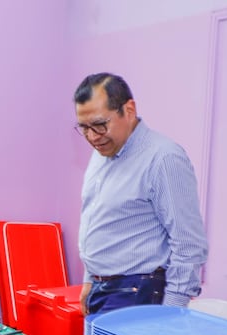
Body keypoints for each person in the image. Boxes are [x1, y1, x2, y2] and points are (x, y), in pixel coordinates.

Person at [73, 72, 208, 316]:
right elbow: (100, 219)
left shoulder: (164, 158)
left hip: (137, 293)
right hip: (101, 289)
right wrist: (90, 279)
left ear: (129, 109)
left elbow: (189, 244)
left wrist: (171, 314)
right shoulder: (102, 152)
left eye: (100, 125)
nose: (93, 137)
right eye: (84, 128)